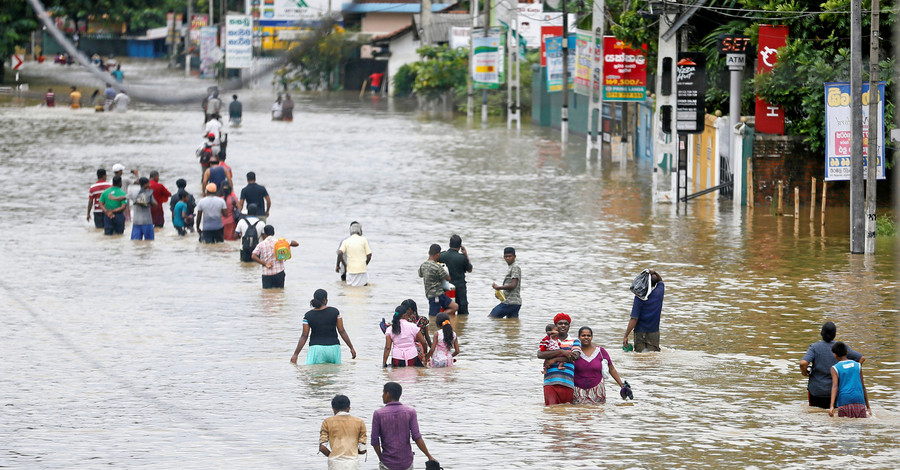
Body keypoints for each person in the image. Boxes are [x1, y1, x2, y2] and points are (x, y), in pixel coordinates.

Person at [371, 382, 437, 470]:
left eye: (383, 393)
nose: (382, 395)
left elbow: (375, 440)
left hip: (387, 462)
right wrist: (429, 456)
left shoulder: (378, 414)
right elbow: (417, 437)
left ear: (387, 394)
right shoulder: (410, 412)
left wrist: (381, 458)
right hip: (406, 462)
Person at [800, 321, 865, 409]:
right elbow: (861, 358)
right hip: (836, 391)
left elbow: (803, 363)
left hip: (816, 391)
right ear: (835, 334)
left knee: (816, 414)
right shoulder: (841, 347)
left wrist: (805, 373)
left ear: (821, 333)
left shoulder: (814, 347)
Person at [290, 289, 357, 364]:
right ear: (325, 300)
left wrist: (295, 354)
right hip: (334, 348)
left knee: (314, 374)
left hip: (316, 349)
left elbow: (304, 336)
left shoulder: (308, 315)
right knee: (333, 374)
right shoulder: (335, 312)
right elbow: (342, 331)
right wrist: (351, 348)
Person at [574, 326, 629, 404]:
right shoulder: (575, 352)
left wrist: (621, 385)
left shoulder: (600, 351)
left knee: (597, 413)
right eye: (583, 335)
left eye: (588, 335)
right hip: (578, 390)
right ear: (579, 337)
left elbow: (611, 369)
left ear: (592, 337)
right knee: (580, 412)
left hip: (597, 390)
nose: (586, 337)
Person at [537, 313, 582, 405]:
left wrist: (554, 360)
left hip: (568, 382)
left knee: (566, 413)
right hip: (550, 382)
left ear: (569, 326)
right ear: (555, 326)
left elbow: (575, 356)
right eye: (560, 323)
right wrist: (560, 352)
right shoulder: (549, 340)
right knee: (551, 411)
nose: (563, 325)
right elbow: (540, 354)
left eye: (566, 323)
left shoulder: (574, 341)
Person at [319, 394, 367, 470]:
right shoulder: (359, 422)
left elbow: (322, 448)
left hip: (334, 463)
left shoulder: (327, 422)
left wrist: (332, 455)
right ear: (349, 409)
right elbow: (363, 450)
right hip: (352, 463)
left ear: (333, 409)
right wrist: (353, 451)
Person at [623, 269, 665, 352]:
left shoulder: (639, 298)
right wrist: (654, 272)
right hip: (654, 332)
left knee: (640, 357)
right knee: (653, 357)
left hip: (640, 333)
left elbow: (634, 318)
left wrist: (626, 335)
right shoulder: (659, 292)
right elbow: (661, 281)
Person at [829, 341, 871, 418]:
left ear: (835, 355)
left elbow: (835, 386)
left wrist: (831, 406)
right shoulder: (858, 365)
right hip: (859, 400)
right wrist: (868, 407)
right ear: (847, 352)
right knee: (860, 427)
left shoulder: (835, 368)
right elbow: (863, 386)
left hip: (844, 400)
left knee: (844, 427)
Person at [418, 244, 458, 317]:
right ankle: (437, 320)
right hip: (436, 295)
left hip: (433, 294)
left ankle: (439, 317)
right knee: (433, 316)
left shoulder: (423, 265)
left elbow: (420, 275)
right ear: (437, 254)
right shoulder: (437, 267)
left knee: (455, 306)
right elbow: (448, 278)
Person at [439, 235, 472, 315]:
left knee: (446, 309)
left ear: (450, 244)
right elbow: (470, 269)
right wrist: (466, 255)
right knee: (463, 312)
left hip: (445, 288)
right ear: (460, 246)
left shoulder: (441, 256)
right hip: (460, 288)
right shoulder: (462, 258)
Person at [336, 222, 372, 287]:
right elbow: (369, 255)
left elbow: (339, 254)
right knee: (363, 288)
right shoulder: (363, 240)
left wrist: (339, 265)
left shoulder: (345, 241)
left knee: (347, 288)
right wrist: (365, 264)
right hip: (361, 270)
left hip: (347, 270)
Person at [489, 247, 522, 318]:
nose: (507, 258)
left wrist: (498, 287)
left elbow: (513, 285)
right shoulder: (511, 267)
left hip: (510, 302)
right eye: (506, 256)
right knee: (512, 324)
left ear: (514, 256)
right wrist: (500, 294)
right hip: (515, 303)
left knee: (492, 317)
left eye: (510, 256)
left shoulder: (515, 267)